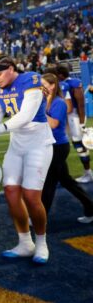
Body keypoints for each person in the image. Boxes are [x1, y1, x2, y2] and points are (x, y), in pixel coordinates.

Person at [0, 56, 54, 264]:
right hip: (17, 143)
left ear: (11, 69)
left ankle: (41, 242)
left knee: (31, 196)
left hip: (38, 143)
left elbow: (25, 115)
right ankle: (25, 242)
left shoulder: (31, 80)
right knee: (10, 192)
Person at [40, 73, 93, 224]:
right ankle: (90, 207)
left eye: (43, 84)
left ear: (52, 86)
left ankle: (40, 217)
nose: (41, 87)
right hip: (49, 146)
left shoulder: (59, 102)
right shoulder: (43, 102)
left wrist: (38, 113)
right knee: (67, 181)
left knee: (49, 182)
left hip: (58, 147)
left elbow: (54, 124)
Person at [52, 65, 93, 183]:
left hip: (73, 117)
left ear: (60, 75)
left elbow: (80, 105)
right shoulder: (61, 85)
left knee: (79, 145)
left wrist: (81, 123)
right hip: (64, 117)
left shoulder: (73, 83)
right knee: (59, 145)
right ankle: (61, 174)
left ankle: (88, 173)